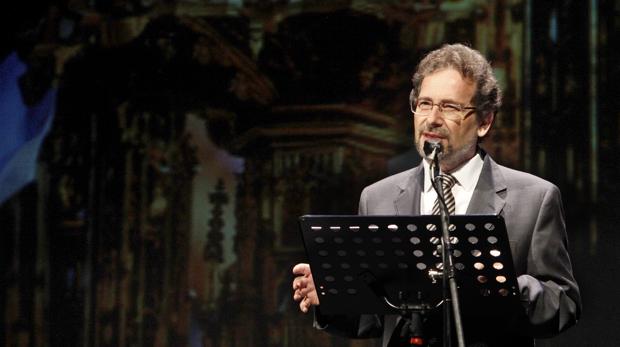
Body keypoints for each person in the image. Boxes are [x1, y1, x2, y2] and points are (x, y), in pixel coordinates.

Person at [292, 43, 581, 346]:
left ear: (484, 122)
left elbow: (563, 305)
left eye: (450, 107)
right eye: (425, 104)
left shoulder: (534, 198)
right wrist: (334, 293)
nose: (432, 118)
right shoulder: (378, 197)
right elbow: (373, 318)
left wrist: (503, 288)